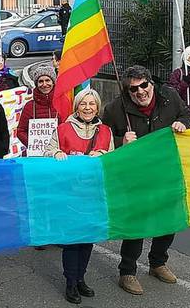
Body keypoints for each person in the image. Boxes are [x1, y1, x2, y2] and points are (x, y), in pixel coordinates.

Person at [102, 65, 190, 296]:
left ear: (151, 83)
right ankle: (127, 272)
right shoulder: (115, 109)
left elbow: (186, 114)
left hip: (166, 172)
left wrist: (183, 123)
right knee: (137, 224)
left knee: (169, 219)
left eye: (144, 85)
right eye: (134, 89)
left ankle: (157, 263)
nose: (140, 92)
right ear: (127, 91)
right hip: (135, 176)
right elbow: (101, 137)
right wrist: (121, 139)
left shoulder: (169, 97)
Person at [44, 88, 114, 304]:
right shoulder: (63, 129)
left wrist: (102, 155)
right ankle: (70, 282)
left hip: (92, 195)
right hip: (69, 195)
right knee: (72, 240)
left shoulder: (105, 132)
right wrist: (56, 153)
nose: (87, 108)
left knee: (87, 240)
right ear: (76, 106)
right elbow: (48, 152)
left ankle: (81, 278)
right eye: (83, 104)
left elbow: (112, 161)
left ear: (97, 107)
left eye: (92, 104)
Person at [17, 64, 61, 148]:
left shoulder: (62, 103)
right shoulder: (29, 106)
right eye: (40, 81)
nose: (44, 84)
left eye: (48, 80)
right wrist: (33, 144)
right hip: (37, 154)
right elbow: (21, 131)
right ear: (36, 84)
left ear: (53, 82)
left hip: (59, 153)